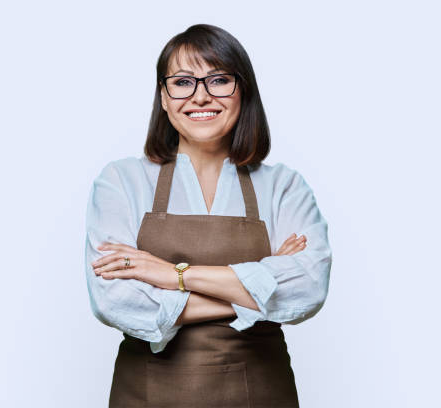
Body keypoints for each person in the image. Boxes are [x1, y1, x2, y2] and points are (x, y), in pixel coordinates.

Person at [84, 23, 332, 408]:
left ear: (243, 91)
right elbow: (114, 299)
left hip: (260, 395)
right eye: (182, 82)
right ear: (164, 98)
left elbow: (308, 288)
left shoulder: (283, 185)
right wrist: (258, 286)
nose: (200, 97)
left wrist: (173, 275)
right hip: (148, 395)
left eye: (218, 80)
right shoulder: (121, 181)